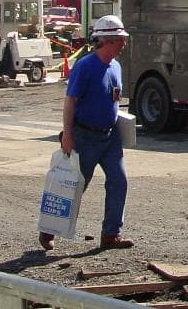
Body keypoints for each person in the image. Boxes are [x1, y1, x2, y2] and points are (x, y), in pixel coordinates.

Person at [39, 14, 134, 251]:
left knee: (119, 181)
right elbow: (71, 102)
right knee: (73, 185)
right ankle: (49, 229)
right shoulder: (86, 66)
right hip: (85, 137)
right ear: (108, 41)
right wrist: (68, 135)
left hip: (110, 137)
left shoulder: (116, 67)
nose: (124, 44)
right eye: (120, 40)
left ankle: (111, 234)